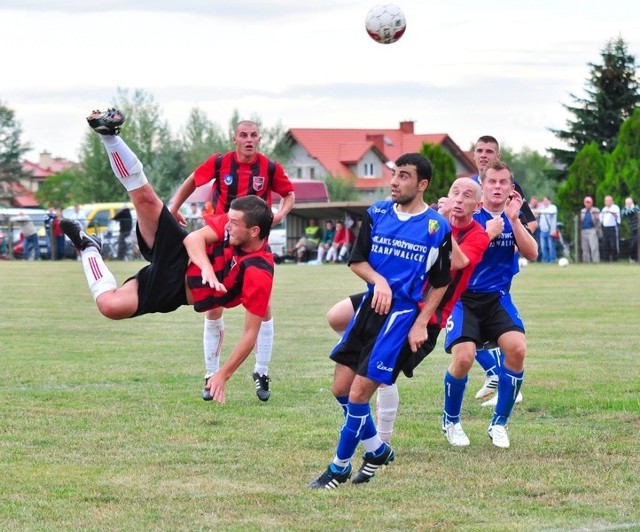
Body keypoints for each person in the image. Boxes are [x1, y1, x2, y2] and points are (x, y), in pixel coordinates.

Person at [61, 108, 275, 405]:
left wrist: (223, 375)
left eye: (234, 223)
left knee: (110, 306)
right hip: (179, 252)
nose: (227, 224)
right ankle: (109, 135)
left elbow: (250, 334)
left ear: (254, 232)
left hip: (173, 290)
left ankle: (89, 248)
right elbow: (194, 238)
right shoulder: (233, 222)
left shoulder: (260, 271)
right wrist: (206, 269)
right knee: (145, 198)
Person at [309, 153, 452, 489]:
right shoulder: (377, 214)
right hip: (369, 309)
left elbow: (441, 281)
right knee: (340, 390)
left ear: (422, 184)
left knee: (359, 396)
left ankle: (338, 468)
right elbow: (357, 262)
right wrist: (380, 281)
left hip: (400, 318)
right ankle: (376, 448)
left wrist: (422, 323)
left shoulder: (436, 227)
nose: (394, 182)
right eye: (394, 175)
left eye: (404, 176)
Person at [326, 178, 502, 448]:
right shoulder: (428, 221)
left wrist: (440, 225)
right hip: (394, 296)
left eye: (466, 196)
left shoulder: (474, 234)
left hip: (423, 311)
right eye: (454, 192)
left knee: (379, 379)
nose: (458, 199)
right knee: (336, 316)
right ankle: (368, 376)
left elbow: (459, 262)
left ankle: (380, 441)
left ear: (477, 205)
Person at [170, 120, 295, 402]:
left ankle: (261, 371)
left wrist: (280, 214)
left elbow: (289, 194)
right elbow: (193, 179)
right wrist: (174, 207)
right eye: (243, 135)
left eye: (253, 135)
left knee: (262, 308)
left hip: (252, 240)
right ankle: (210, 374)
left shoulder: (269, 168)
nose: (249, 139)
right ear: (235, 138)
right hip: (221, 233)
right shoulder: (220, 163)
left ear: (259, 139)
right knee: (213, 305)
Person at [443, 160, 538, 449]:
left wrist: (514, 220)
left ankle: (498, 423)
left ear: (511, 188)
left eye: (503, 183)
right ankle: (451, 420)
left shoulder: (512, 218)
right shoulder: (469, 217)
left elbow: (532, 253)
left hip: (497, 297)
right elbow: (456, 258)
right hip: (463, 298)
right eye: (492, 182)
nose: (497, 187)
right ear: (482, 187)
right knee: (463, 358)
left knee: (517, 349)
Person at [470, 136, 536, 403]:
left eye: (490, 152)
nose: (484, 155)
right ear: (473, 155)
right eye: (480, 151)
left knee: (487, 327)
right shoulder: (467, 187)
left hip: (497, 274)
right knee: (463, 329)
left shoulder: (506, 186)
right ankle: (495, 373)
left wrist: (514, 240)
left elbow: (528, 222)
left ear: (497, 157)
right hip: (469, 272)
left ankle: (500, 377)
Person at [537, 196, 558, 263]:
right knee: (543, 247)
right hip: (542, 230)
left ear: (550, 201)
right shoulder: (542, 208)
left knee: (551, 247)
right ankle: (546, 260)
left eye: (546, 201)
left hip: (550, 231)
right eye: (544, 201)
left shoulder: (553, 207)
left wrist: (539, 210)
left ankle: (552, 260)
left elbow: (550, 212)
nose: (545, 202)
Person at [580, 196, 600, 263]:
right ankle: (586, 262)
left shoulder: (595, 210)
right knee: (585, 248)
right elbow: (580, 221)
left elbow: (598, 221)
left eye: (589, 202)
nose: (587, 204)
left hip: (592, 230)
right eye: (586, 202)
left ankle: (596, 261)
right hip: (583, 230)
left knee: (594, 247)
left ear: (591, 203)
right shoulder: (582, 211)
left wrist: (595, 215)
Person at [600, 195, 620, 262]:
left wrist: (611, 212)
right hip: (605, 228)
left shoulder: (615, 207)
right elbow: (601, 219)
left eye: (609, 200)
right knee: (605, 243)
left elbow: (617, 217)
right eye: (606, 201)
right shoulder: (604, 209)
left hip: (612, 227)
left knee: (613, 244)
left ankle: (615, 259)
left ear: (612, 201)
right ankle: (606, 259)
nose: (607, 202)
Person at [621, 197, 639, 262]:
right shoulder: (625, 209)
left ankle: (633, 258)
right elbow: (623, 214)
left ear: (632, 203)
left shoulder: (636, 208)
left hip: (638, 229)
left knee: (634, 244)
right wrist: (627, 209)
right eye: (627, 203)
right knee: (632, 244)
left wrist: (628, 209)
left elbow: (633, 212)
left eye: (629, 203)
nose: (628, 204)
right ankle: (633, 258)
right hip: (632, 230)